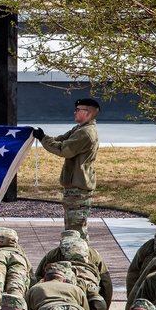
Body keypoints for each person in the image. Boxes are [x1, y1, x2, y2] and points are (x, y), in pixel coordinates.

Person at [33, 98, 100, 241]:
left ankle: (81, 259)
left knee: (75, 231)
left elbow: (64, 150)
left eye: (78, 110)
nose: (74, 112)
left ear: (87, 113)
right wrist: (42, 137)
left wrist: (43, 138)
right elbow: (60, 140)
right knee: (73, 227)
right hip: (74, 188)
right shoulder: (79, 129)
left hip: (78, 189)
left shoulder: (85, 133)